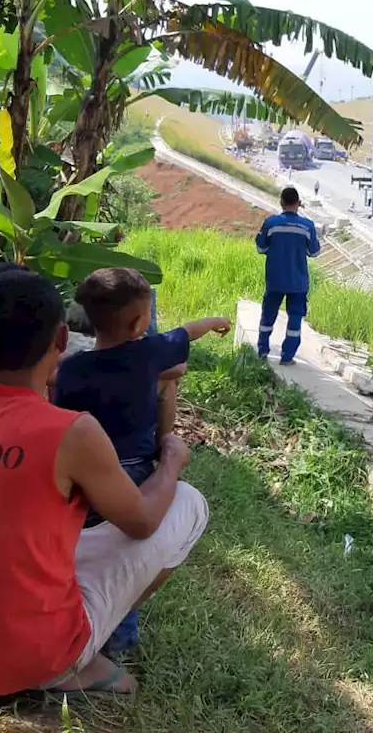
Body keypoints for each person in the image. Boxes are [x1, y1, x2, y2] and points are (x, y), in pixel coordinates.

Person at [0, 265, 209, 698]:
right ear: (62, 342)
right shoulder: (73, 433)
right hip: (32, 659)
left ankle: (58, 644)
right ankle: (76, 661)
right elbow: (142, 521)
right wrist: (172, 461)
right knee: (188, 503)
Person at [51, 268, 230, 655]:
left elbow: (58, 413)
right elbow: (185, 335)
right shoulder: (148, 354)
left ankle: (75, 609)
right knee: (127, 552)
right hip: (133, 470)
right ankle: (119, 637)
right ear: (138, 322)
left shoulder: (70, 369)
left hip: (80, 475)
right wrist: (217, 322)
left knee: (86, 547)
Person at [255, 186, 320, 364]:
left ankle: (262, 351)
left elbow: (261, 248)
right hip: (298, 282)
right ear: (299, 204)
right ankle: (287, 357)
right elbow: (314, 253)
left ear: (281, 203)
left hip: (275, 279)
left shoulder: (270, 223)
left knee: (268, 315)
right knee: (295, 318)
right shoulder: (307, 226)